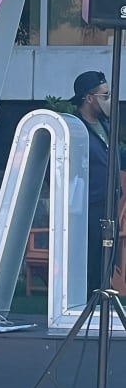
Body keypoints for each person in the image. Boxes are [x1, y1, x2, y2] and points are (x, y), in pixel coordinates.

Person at [70, 70, 126, 294]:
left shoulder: (104, 125)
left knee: (106, 260)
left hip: (109, 203)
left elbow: (114, 156)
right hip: (88, 206)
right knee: (91, 259)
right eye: (104, 95)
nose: (108, 100)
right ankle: (86, 304)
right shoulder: (76, 129)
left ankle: (102, 301)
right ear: (89, 98)